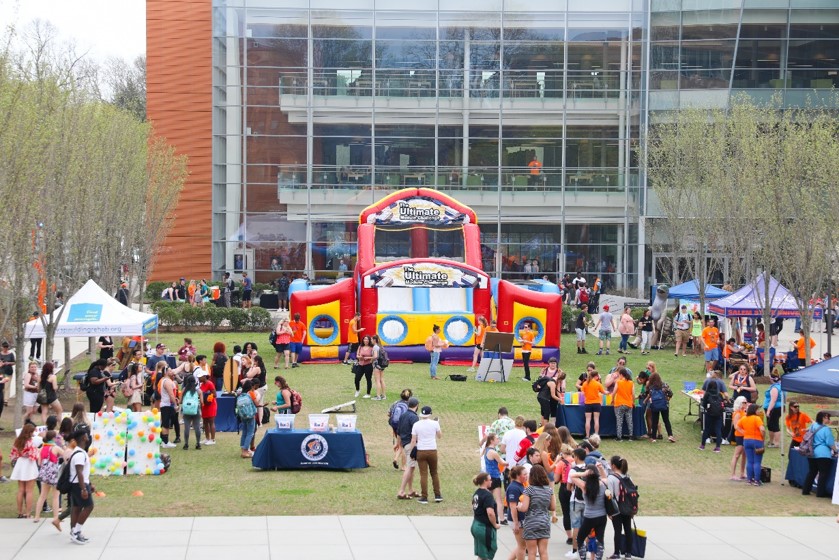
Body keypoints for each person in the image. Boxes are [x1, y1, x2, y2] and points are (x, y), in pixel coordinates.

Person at [569, 462, 610, 560]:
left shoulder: (584, 486)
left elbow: (572, 475)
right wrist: (600, 469)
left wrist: (584, 473)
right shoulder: (603, 484)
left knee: (580, 538)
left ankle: (583, 557)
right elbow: (605, 478)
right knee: (600, 539)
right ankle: (598, 558)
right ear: (597, 474)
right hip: (602, 516)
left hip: (589, 517)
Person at [517, 464, 555, 560]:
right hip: (544, 522)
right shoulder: (549, 490)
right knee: (544, 552)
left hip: (531, 522)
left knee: (532, 552)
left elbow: (525, 508)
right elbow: (553, 507)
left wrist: (519, 507)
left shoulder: (529, 490)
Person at [411, 405, 442, 504]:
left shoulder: (416, 424)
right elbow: (440, 436)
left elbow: (413, 440)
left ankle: (424, 496)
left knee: (423, 474)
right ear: (430, 414)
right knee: (434, 473)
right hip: (432, 450)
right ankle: (437, 495)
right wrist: (438, 424)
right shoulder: (435, 424)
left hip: (421, 450)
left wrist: (412, 450)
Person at [68, 430, 94, 544]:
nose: (88, 437)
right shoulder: (79, 454)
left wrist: (90, 484)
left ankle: (74, 531)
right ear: (84, 437)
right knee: (89, 506)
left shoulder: (80, 452)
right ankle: (76, 532)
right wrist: (84, 489)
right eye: (87, 435)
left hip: (79, 484)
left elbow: (83, 472)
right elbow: (79, 473)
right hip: (79, 485)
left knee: (77, 507)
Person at [802, 411, 835, 497]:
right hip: (823, 454)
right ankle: (820, 493)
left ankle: (805, 490)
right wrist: (836, 450)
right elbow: (830, 443)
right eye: (828, 418)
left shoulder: (813, 426)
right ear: (824, 418)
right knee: (823, 474)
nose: (829, 419)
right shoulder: (826, 429)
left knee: (812, 472)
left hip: (811, 452)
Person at [33, 429, 61, 530]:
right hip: (54, 475)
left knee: (42, 496)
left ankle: (37, 516)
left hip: (44, 475)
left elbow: (39, 462)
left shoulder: (41, 448)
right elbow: (66, 456)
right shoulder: (56, 448)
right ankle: (56, 517)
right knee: (55, 496)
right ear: (53, 438)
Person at [607, 456, 634, 560]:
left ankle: (617, 553)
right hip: (627, 507)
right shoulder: (628, 477)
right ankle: (628, 553)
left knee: (617, 530)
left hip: (616, 508)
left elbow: (610, 495)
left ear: (613, 466)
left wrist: (609, 511)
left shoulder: (611, 478)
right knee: (628, 529)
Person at [10, 424, 39, 518]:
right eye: (32, 432)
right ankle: (28, 513)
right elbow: (34, 456)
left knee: (20, 490)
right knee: (29, 491)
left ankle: (19, 512)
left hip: (20, 463)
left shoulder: (17, 441)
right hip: (29, 464)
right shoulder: (30, 442)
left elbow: (13, 454)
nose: (33, 433)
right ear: (29, 432)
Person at [472, 472, 501, 560]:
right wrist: (495, 524)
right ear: (485, 481)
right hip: (484, 528)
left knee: (482, 554)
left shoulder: (477, 493)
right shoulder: (487, 495)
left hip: (476, 524)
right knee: (489, 551)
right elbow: (490, 513)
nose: (491, 481)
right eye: (490, 479)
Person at [397, 396, 420, 500]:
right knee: (410, 467)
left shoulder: (403, 415)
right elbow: (416, 433)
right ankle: (401, 491)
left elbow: (398, 431)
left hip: (404, 443)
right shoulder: (414, 417)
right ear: (417, 406)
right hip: (411, 445)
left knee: (412, 467)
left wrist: (398, 444)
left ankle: (410, 490)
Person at [737, 404, 766, 486]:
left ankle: (749, 479)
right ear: (754, 410)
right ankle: (757, 480)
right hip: (757, 441)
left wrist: (744, 433)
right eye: (758, 410)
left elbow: (737, 427)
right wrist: (763, 437)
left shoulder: (744, 418)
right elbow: (762, 429)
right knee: (757, 462)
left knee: (750, 461)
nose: (759, 411)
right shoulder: (757, 418)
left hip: (746, 441)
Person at [645, 371, 676, 443]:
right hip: (664, 405)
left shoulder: (651, 387)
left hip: (655, 405)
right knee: (666, 420)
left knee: (655, 421)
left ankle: (653, 438)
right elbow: (671, 394)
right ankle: (670, 435)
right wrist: (667, 399)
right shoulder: (664, 385)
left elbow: (647, 394)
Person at [506, 465, 528, 560]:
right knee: (522, 546)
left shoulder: (520, 485)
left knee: (521, 545)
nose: (527, 476)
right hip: (517, 520)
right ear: (518, 476)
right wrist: (516, 524)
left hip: (520, 520)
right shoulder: (513, 488)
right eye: (525, 474)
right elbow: (512, 506)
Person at [483, 433, 507, 522]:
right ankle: (501, 518)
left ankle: (485, 515)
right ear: (492, 441)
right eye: (497, 439)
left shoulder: (487, 450)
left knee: (487, 497)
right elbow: (502, 462)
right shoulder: (493, 452)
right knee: (498, 499)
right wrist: (510, 462)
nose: (498, 440)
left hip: (488, 477)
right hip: (495, 477)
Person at [698, 373, 725, 452]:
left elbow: (704, 404)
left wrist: (707, 408)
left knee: (706, 430)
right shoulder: (720, 395)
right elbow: (722, 403)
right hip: (719, 415)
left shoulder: (707, 394)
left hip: (709, 414)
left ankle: (702, 445)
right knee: (718, 430)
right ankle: (718, 447)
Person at [181, 373, 204, 450]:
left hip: (186, 411)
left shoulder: (184, 390)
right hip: (195, 410)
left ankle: (186, 444)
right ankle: (198, 443)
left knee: (186, 428)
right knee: (197, 427)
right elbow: (202, 402)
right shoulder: (198, 391)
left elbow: (181, 401)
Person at [158, 365, 179, 448]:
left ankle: (164, 441)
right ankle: (165, 441)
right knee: (166, 424)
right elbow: (171, 394)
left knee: (166, 423)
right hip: (167, 405)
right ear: (166, 372)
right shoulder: (167, 381)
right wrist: (175, 404)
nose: (172, 372)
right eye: (170, 370)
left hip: (167, 404)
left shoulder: (167, 380)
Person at [581, 371, 607, 438]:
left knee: (588, 420)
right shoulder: (598, 384)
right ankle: (596, 435)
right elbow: (604, 392)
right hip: (596, 403)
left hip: (588, 403)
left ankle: (587, 435)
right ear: (596, 376)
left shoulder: (585, 383)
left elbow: (582, 393)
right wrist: (609, 392)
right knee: (596, 420)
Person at [729, 396, 748, 481]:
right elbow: (736, 426)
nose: (746, 404)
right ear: (740, 403)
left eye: (746, 402)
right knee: (737, 455)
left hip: (744, 435)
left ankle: (742, 473)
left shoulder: (743, 412)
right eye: (744, 402)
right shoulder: (737, 413)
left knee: (744, 454)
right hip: (739, 436)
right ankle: (732, 474)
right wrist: (744, 432)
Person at [613, 367, 634, 441]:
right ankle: (631, 436)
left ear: (621, 375)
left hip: (619, 403)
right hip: (628, 404)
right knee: (629, 420)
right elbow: (633, 394)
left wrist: (612, 399)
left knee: (619, 421)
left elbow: (614, 392)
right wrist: (633, 402)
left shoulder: (618, 382)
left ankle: (619, 437)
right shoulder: (631, 382)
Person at [763, 372, 783, 447]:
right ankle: (771, 441)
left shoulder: (775, 388)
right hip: (777, 407)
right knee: (771, 425)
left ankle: (776, 443)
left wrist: (768, 410)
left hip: (774, 408)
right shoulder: (780, 386)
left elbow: (773, 400)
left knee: (774, 425)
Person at [238, 379, 257, 458]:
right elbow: (253, 406)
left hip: (243, 416)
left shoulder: (240, 395)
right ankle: (245, 451)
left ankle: (243, 449)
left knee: (244, 433)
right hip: (250, 416)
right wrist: (254, 413)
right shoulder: (249, 395)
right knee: (250, 433)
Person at [0, 341, 16, 421]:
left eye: (6, 347)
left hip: (8, 372)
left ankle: (6, 400)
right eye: (4, 347)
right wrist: (1, 364)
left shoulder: (11, 354)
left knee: (7, 386)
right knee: (2, 386)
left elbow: (14, 362)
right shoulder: (0, 354)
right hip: (1, 372)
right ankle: (2, 399)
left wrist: (8, 363)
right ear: (2, 347)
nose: (5, 349)